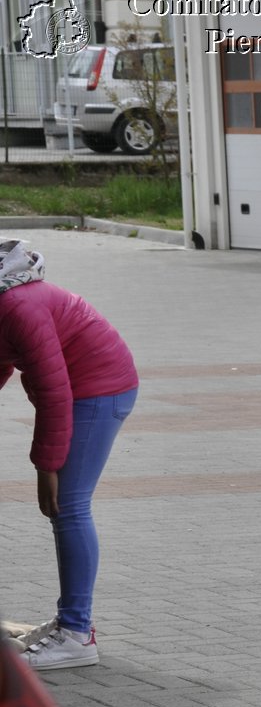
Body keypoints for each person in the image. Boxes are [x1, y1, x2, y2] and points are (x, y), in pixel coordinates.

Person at [0, 238, 138, 671]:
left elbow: (57, 392)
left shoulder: (17, 306)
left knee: (68, 505)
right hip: (88, 389)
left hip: (98, 390)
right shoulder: (6, 298)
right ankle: (69, 624)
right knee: (66, 508)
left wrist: (46, 466)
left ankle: (77, 635)